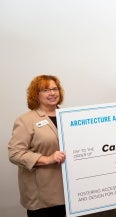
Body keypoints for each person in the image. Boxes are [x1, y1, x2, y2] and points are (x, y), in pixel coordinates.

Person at [8, 75, 66, 217]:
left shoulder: (68, 116)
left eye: (54, 89)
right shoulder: (26, 120)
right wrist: (47, 159)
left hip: (68, 190)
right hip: (42, 196)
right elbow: (15, 154)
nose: (52, 93)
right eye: (45, 90)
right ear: (36, 95)